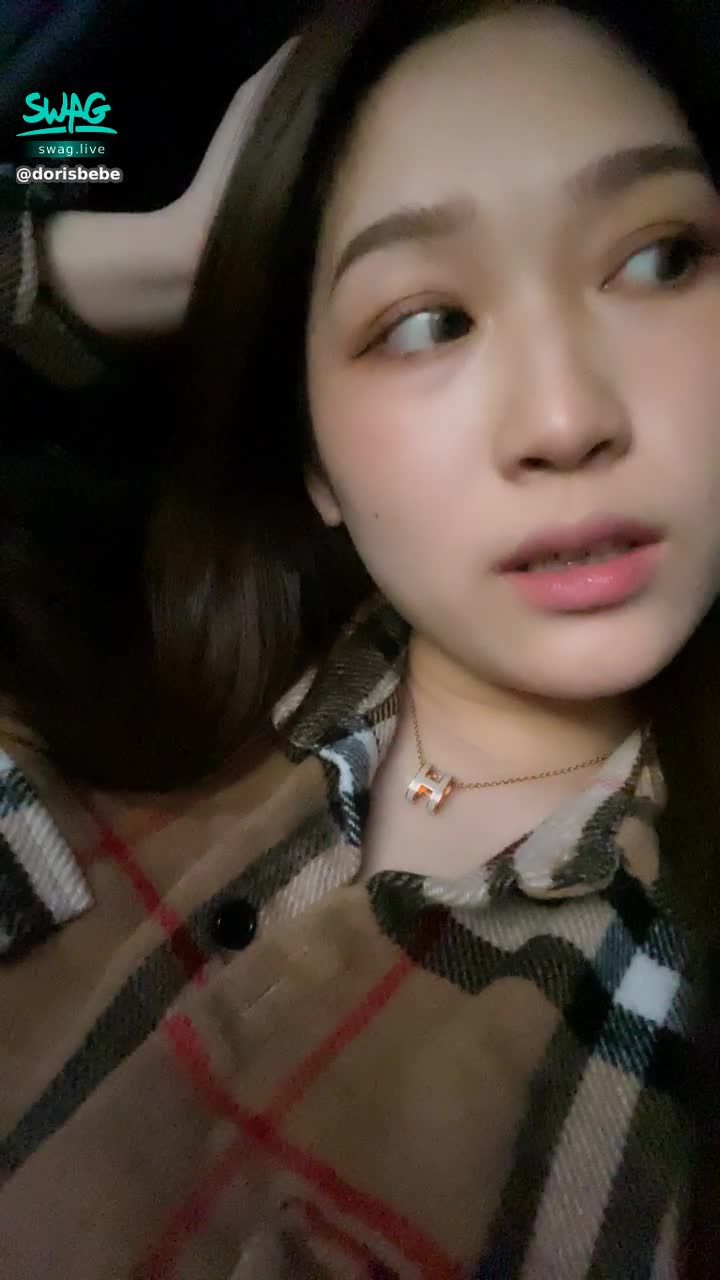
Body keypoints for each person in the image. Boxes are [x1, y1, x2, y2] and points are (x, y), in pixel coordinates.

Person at [1, 1, 719, 1274]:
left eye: (660, 259)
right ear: (314, 461)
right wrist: (148, 255)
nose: (564, 419)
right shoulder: (66, 688)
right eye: (426, 321)